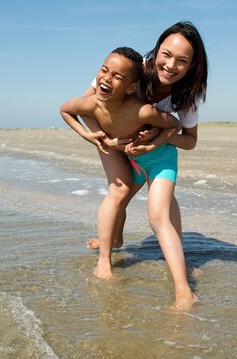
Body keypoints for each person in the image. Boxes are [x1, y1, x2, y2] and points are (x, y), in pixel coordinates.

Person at [60, 47, 198, 310]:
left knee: (159, 214)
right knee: (118, 195)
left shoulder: (142, 110)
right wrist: (89, 135)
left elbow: (176, 126)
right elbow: (66, 109)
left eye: (117, 77)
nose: (106, 78)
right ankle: (107, 254)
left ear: (131, 87)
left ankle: (184, 288)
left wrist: (152, 142)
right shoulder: (91, 102)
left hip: (158, 159)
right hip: (131, 159)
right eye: (104, 71)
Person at [81, 22, 208, 262]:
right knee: (119, 192)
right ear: (157, 49)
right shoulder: (129, 70)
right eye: (166, 55)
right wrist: (105, 139)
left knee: (163, 198)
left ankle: (176, 254)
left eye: (182, 61)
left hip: (152, 149)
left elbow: (190, 141)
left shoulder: (187, 95)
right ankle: (110, 244)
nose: (170, 66)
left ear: (192, 66)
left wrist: (161, 137)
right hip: (109, 139)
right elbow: (86, 107)